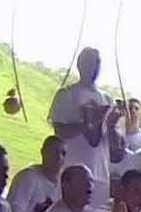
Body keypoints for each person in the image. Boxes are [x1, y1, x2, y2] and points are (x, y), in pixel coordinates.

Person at [48, 47, 122, 203]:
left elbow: (115, 149)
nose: (94, 67)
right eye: (89, 61)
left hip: (100, 175)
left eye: (97, 62)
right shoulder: (66, 94)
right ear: (79, 64)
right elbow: (60, 132)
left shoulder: (108, 100)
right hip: (72, 174)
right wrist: (91, 122)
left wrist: (111, 126)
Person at [9, 135, 66, 212]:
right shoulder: (27, 177)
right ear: (43, 152)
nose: (59, 157)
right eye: (54, 152)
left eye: (63, 154)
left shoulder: (65, 184)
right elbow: (13, 211)